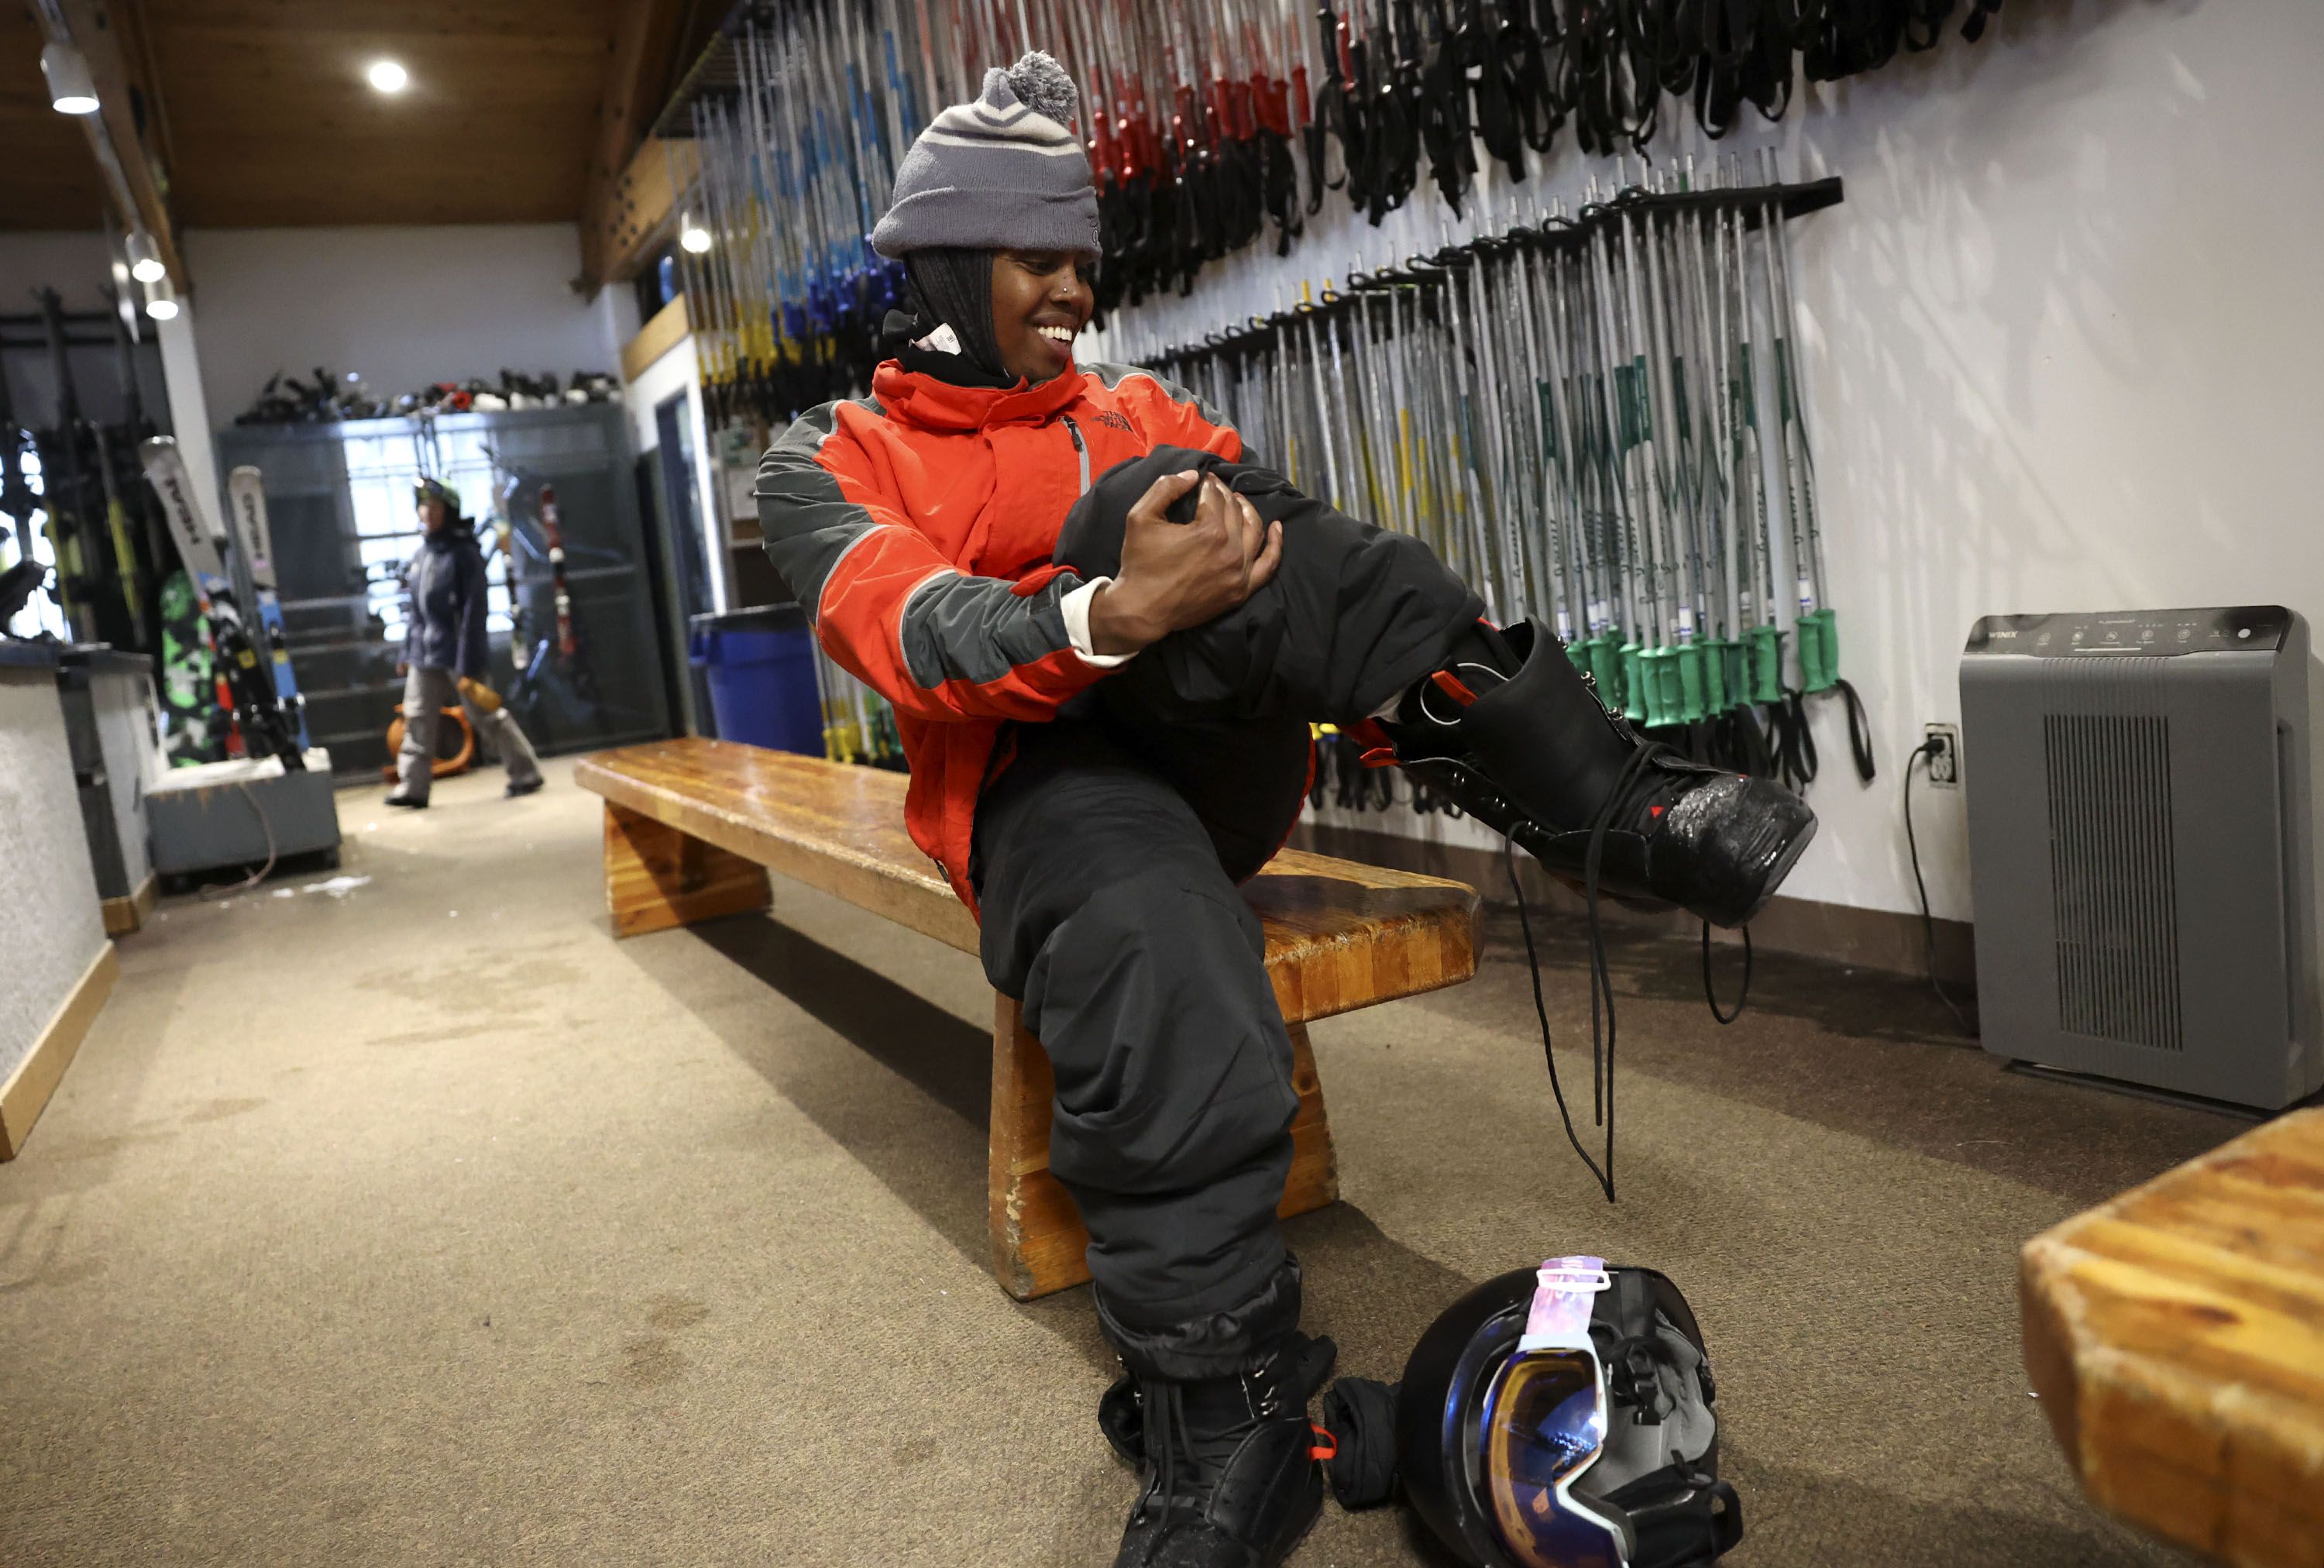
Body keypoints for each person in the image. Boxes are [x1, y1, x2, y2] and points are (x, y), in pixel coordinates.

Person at [755, 55, 1813, 1568]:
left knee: (1179, 492)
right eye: (1034, 258)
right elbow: (913, 634)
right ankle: (1230, 1417)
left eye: (1080, 258)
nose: (1071, 287)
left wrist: (1156, 566)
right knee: (1150, 938)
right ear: (941, 258)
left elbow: (1299, 582)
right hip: (1035, 789)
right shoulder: (827, 455)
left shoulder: (1129, 407)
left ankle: (1596, 795)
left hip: (1214, 753)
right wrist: (1106, 612)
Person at [387, 477, 543, 808]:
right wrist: (406, 652)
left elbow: (474, 614)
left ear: (450, 511)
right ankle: (413, 787)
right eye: (424, 505)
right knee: (416, 718)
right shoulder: (421, 555)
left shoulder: (465, 554)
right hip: (424, 656)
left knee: (486, 713)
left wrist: (468, 663)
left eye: (435, 506)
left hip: (460, 657)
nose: (427, 512)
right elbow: (416, 612)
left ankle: (525, 771)